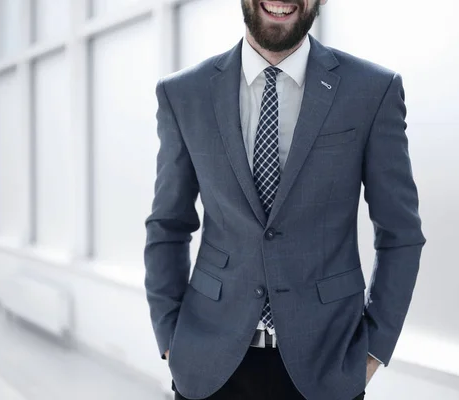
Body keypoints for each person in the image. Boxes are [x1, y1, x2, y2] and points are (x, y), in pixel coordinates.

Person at [144, 1, 426, 399]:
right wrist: (171, 338)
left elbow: (401, 233)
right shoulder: (182, 93)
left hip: (326, 366)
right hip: (208, 364)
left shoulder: (372, 90)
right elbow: (167, 225)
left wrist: (374, 351)